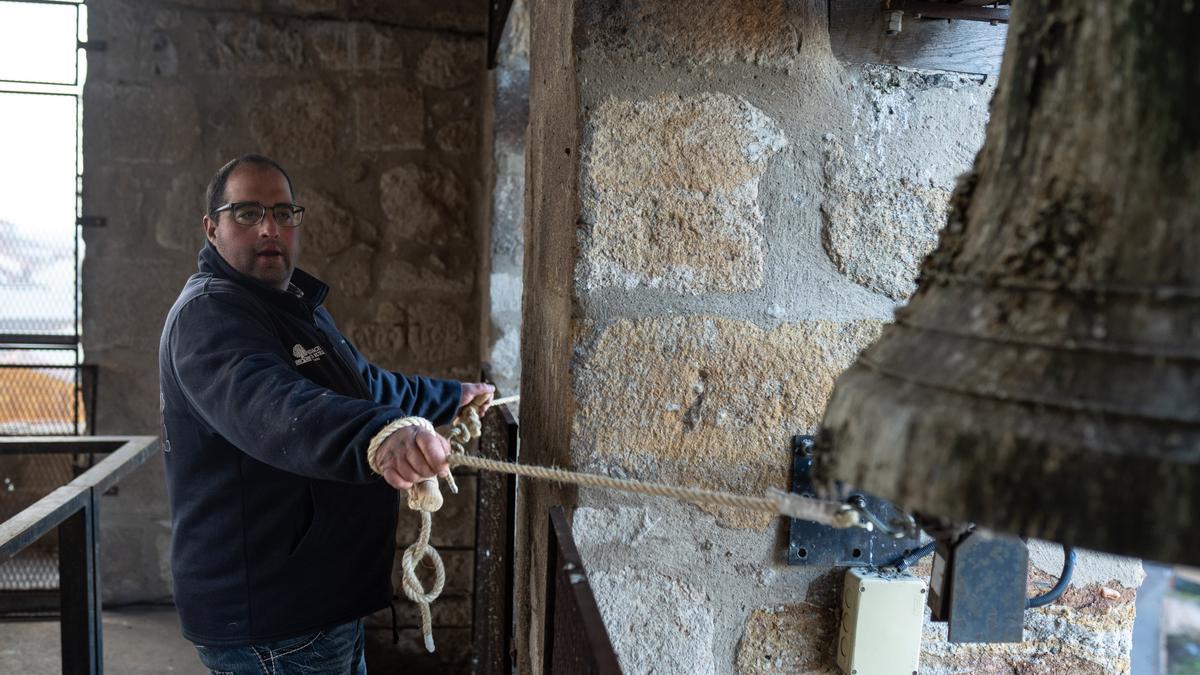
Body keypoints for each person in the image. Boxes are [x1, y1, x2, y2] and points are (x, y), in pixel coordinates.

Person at [157, 154, 493, 674]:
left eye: (283, 213)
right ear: (212, 228)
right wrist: (380, 437)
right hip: (274, 617)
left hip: (313, 599)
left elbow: (365, 386)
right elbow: (273, 405)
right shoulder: (210, 317)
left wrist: (448, 398)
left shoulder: (289, 303)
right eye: (246, 213)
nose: (270, 227)